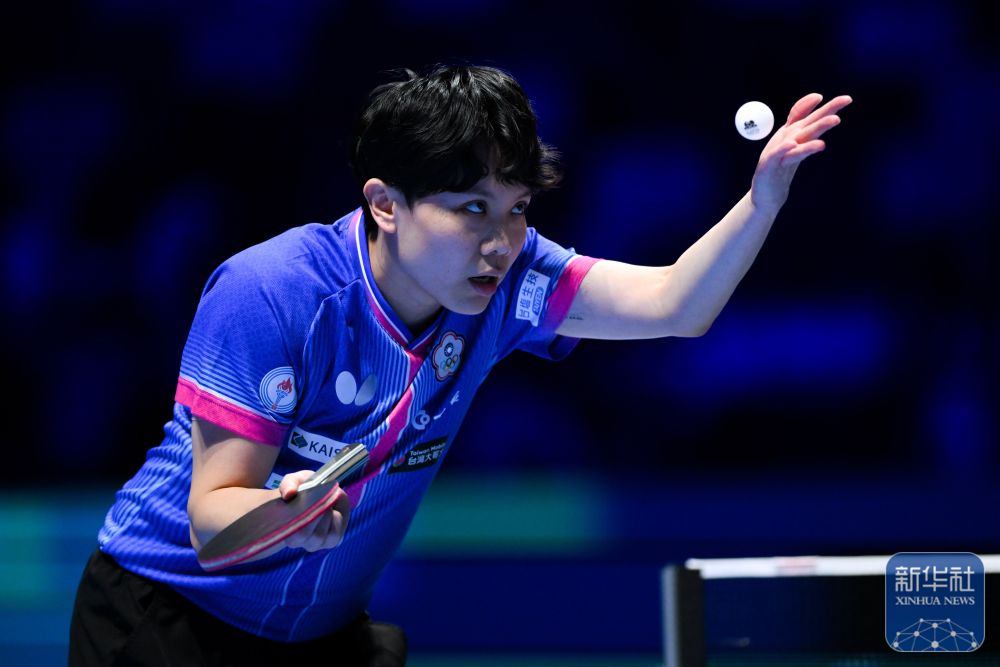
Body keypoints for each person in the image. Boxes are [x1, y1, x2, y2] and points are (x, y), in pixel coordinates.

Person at [69, 64, 851, 665]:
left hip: (322, 637)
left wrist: (762, 201)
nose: (500, 242)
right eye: (471, 207)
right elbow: (211, 523)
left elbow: (676, 304)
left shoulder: (510, 283)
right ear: (386, 204)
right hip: (168, 619)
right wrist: (287, 514)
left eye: (516, 208)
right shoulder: (273, 292)